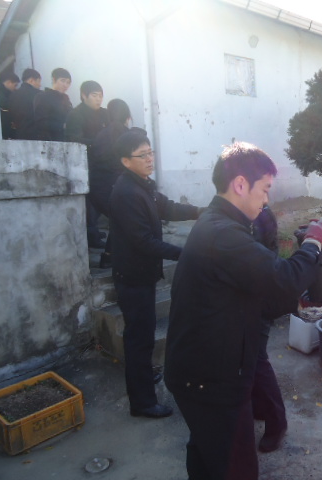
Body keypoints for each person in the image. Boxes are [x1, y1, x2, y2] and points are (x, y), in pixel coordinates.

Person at [163, 142, 322, 480]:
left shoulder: (219, 224)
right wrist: (313, 242)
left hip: (202, 370)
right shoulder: (223, 234)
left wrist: (294, 302)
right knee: (235, 467)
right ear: (241, 184)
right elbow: (285, 279)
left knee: (206, 453)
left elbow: (250, 289)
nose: (267, 200)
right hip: (211, 379)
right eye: (265, 189)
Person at [108, 130, 204, 420]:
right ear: (126, 161)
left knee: (144, 334)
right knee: (139, 339)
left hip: (142, 275)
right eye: (143, 155)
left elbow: (168, 207)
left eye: (151, 153)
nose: (150, 159)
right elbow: (144, 242)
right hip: (132, 277)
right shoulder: (126, 193)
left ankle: (143, 376)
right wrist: (184, 254)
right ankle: (142, 403)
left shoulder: (142, 185)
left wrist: (200, 211)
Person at [251, 205, 288, 453]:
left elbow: (261, 259)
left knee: (257, 361)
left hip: (259, 298)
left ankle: (277, 422)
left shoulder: (260, 214)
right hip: (249, 298)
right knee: (250, 359)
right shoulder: (248, 213)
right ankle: (261, 408)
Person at [89, 98, 137, 268]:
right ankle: (113, 256)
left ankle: (110, 256)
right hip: (115, 186)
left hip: (96, 188)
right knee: (128, 216)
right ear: (127, 116)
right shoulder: (126, 136)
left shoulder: (101, 134)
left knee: (120, 218)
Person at [65, 80, 109, 249]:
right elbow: (74, 139)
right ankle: (91, 235)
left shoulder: (105, 114)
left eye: (101, 96)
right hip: (86, 163)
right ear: (84, 95)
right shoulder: (76, 114)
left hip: (104, 162)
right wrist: (98, 143)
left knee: (101, 199)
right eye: (94, 95)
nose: (98, 99)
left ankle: (94, 231)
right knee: (90, 201)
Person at [31, 67, 72, 141]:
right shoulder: (43, 96)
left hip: (65, 139)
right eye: (62, 81)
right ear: (53, 80)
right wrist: (62, 126)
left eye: (68, 82)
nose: (65, 85)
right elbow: (40, 122)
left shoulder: (66, 99)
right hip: (50, 140)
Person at [8, 68, 41, 140]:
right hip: (36, 135)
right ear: (31, 80)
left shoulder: (13, 95)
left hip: (18, 134)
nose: (40, 85)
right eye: (38, 81)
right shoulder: (39, 95)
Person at [0, 71, 19, 139]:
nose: (15, 88)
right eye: (15, 85)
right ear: (8, 82)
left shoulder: (1, 92)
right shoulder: (1, 95)